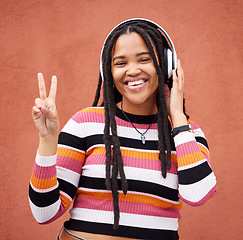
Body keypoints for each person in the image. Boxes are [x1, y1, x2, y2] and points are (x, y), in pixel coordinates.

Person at [29, 18, 217, 240]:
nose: (132, 70)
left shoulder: (187, 133)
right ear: (108, 71)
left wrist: (177, 117)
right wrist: (48, 140)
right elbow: (44, 213)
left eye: (144, 59)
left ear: (167, 66)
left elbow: (198, 195)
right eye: (120, 63)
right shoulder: (85, 124)